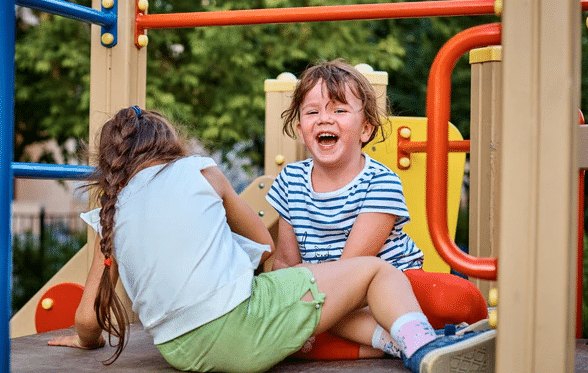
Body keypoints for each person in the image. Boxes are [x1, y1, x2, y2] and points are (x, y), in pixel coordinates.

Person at [47, 106, 495, 373]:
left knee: (313, 303)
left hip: (179, 352)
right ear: (171, 144)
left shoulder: (111, 210)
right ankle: (423, 348)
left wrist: (84, 341)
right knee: (377, 272)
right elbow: (261, 238)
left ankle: (390, 341)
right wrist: (279, 278)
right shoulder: (199, 170)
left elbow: (88, 318)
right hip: (240, 330)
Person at [265, 59, 489, 360]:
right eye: (312, 112)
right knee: (280, 321)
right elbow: (284, 263)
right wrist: (289, 296)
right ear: (300, 128)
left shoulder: (380, 181)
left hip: (390, 290)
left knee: (455, 298)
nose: (323, 119)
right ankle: (401, 342)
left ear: (366, 129)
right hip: (329, 299)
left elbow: (353, 267)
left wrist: (307, 298)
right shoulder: (291, 181)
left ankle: (379, 335)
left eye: (339, 110)